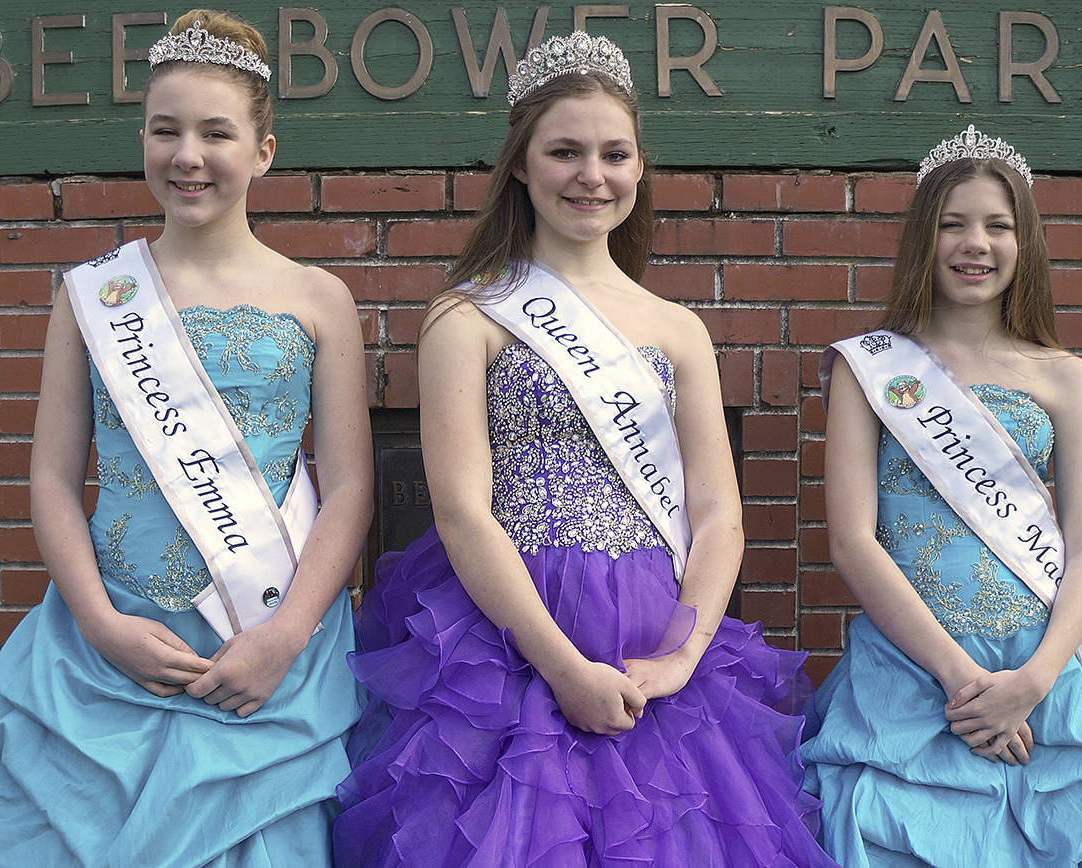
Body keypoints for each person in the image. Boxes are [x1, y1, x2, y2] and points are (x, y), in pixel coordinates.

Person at [331, 32, 836, 867]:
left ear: (639, 169)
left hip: (653, 632)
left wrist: (680, 658)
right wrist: (562, 666)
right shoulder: (470, 316)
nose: (590, 175)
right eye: (564, 151)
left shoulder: (679, 331)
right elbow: (462, 512)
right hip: (509, 636)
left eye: (613, 153)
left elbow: (718, 515)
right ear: (522, 166)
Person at [0, 10, 372, 866]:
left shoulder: (319, 299)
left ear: (264, 150)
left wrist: (283, 638)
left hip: (267, 649)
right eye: (166, 131)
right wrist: (100, 622)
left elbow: (349, 489)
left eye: (215, 133)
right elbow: (51, 478)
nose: (188, 156)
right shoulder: (93, 298)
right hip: (110, 647)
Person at [800, 126, 1082, 866]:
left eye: (998, 225)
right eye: (953, 223)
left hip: (1042, 672)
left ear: (1023, 241)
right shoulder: (870, 368)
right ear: (923, 237)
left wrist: (1030, 684)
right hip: (909, 673)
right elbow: (853, 541)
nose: (976, 243)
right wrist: (964, 680)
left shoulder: (1065, 377)